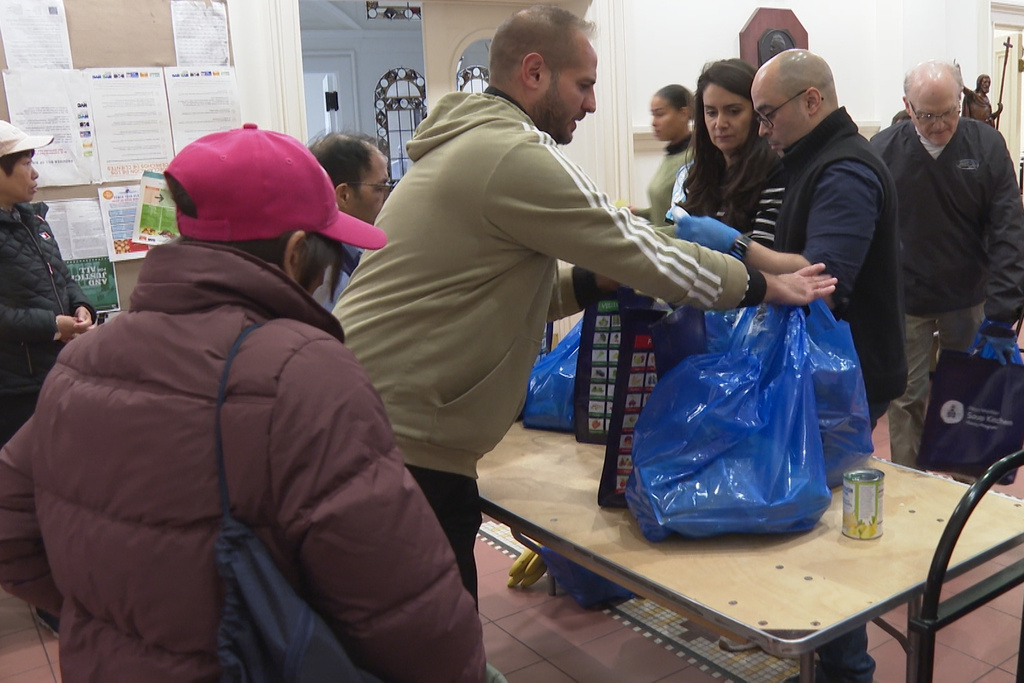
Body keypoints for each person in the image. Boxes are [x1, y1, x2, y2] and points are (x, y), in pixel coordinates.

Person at [336, 5, 837, 604]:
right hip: (400, 442)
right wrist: (759, 285)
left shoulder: (466, 147)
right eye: (585, 84)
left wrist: (590, 283)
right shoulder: (511, 154)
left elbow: (504, 291)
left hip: (367, 420)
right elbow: (638, 248)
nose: (594, 103)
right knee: (422, 640)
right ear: (534, 72)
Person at [0, 124, 487, 682]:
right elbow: (409, 611)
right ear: (298, 252)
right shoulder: (304, 372)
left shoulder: (87, 359)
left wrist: (113, 615)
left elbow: (11, 534)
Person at [676, 49, 905, 683]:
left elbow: (822, 278)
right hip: (821, 374)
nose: (759, 124)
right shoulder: (804, 161)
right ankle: (824, 656)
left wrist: (738, 249)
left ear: (813, 101)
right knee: (807, 520)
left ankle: (845, 667)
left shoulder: (846, 170)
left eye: (766, 111)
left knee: (824, 536)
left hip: (847, 379)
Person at [871, 60, 1024, 469]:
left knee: (970, 394)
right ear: (907, 105)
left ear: (960, 101)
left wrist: (1002, 311)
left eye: (949, 112)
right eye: (926, 116)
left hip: (969, 294)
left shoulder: (987, 146)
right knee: (905, 397)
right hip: (908, 297)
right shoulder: (882, 151)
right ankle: (910, 483)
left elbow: (1009, 230)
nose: (940, 125)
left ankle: (964, 483)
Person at [669, 58, 781, 245]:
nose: (720, 124)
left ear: (757, 113)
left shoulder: (773, 171)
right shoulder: (702, 172)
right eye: (711, 113)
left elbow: (764, 255)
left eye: (734, 111)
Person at [308, 132, 392, 304]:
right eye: (379, 187)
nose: (387, 197)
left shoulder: (351, 253)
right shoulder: (330, 276)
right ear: (344, 196)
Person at [630, 84, 693, 226]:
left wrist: (648, 235)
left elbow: (685, 224)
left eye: (660, 114)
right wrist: (638, 212)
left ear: (683, 114)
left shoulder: (691, 159)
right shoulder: (672, 155)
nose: (653, 122)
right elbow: (667, 211)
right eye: (653, 115)